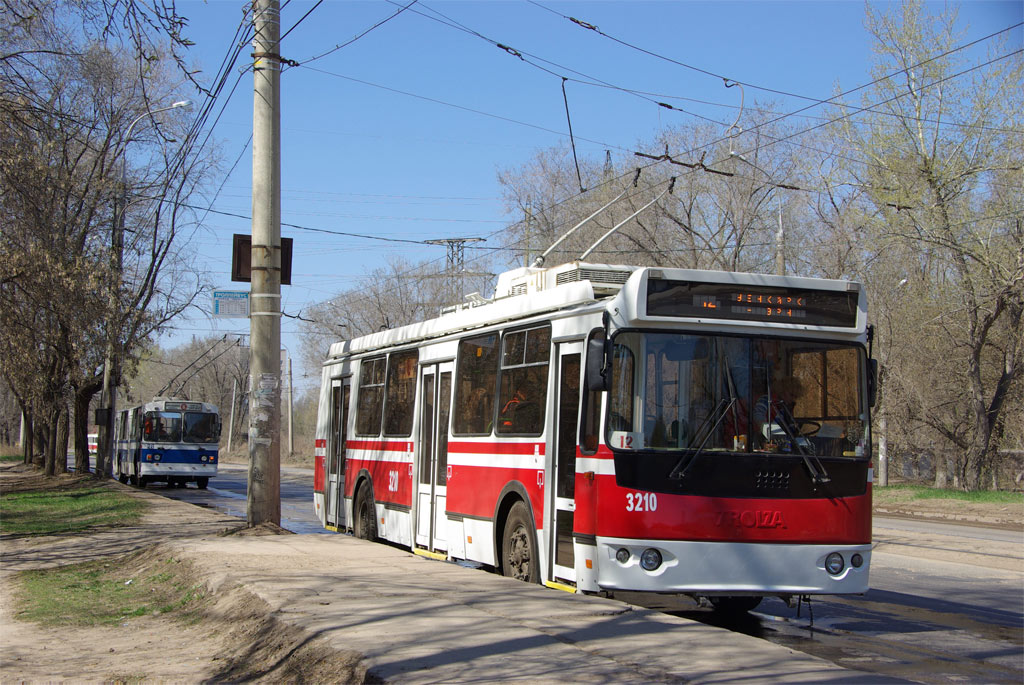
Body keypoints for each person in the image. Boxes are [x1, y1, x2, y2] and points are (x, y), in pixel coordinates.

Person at [753, 376, 802, 447]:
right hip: (763, 444)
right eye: (791, 395)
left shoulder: (786, 408)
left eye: (796, 397)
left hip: (781, 446)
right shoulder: (765, 401)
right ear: (782, 390)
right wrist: (772, 433)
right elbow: (758, 420)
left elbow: (790, 432)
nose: (793, 399)